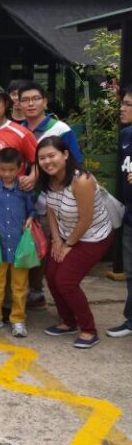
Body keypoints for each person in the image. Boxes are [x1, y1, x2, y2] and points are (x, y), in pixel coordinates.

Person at [38, 136, 114, 349]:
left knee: (66, 280)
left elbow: (86, 219)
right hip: (65, 234)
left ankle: (89, 330)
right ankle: (68, 321)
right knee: (51, 275)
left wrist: (68, 245)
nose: (47, 161)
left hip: (93, 236)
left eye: (51, 155)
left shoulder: (82, 180)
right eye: (42, 158)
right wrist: (56, 239)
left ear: (65, 154)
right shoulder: (48, 179)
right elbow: (50, 209)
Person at [18, 80, 84, 310]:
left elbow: (75, 164)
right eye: (25, 100)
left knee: (51, 252)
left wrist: (39, 177)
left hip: (53, 203)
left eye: (35, 99)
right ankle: (32, 293)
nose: (30, 104)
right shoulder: (18, 129)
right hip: (24, 202)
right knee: (30, 248)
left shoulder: (61, 129)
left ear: (45, 102)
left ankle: (53, 298)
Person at [0, 148, 35, 337]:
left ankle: (18, 319)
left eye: (11, 170)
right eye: (3, 169)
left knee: (20, 286)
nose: (7, 174)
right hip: (0, 245)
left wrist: (31, 218)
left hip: (20, 246)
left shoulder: (25, 189)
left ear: (20, 168)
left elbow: (32, 209)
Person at [107, 86, 132, 338]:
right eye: (122, 103)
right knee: (130, 272)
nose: (122, 109)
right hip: (130, 216)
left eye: (128, 104)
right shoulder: (126, 135)